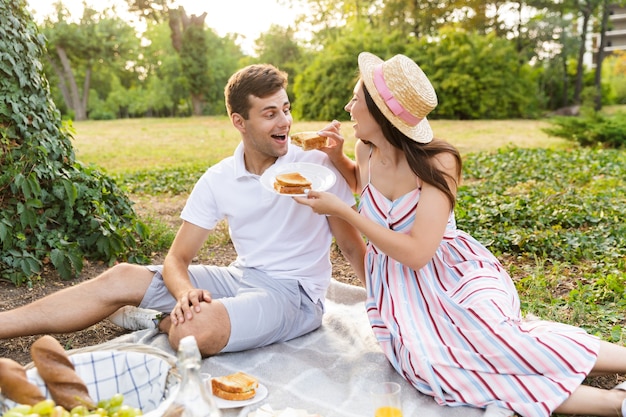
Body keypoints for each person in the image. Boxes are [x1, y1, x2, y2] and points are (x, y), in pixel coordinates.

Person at [294, 52, 626, 417]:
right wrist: (340, 158)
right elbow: (364, 184)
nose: (348, 107)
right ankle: (614, 403)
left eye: (355, 99)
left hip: (452, 274)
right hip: (401, 290)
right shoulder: (365, 150)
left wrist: (344, 212)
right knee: (434, 364)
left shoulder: (439, 161)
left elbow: (419, 252)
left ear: (380, 113)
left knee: (494, 339)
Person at [0, 63, 366, 357]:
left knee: (193, 331)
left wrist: (386, 308)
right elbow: (178, 260)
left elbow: (351, 246)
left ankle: (155, 321)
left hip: (294, 295)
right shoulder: (219, 177)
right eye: (269, 113)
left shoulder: (316, 164)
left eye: (285, 109)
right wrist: (185, 293)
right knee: (122, 277)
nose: (284, 121)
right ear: (240, 122)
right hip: (241, 279)